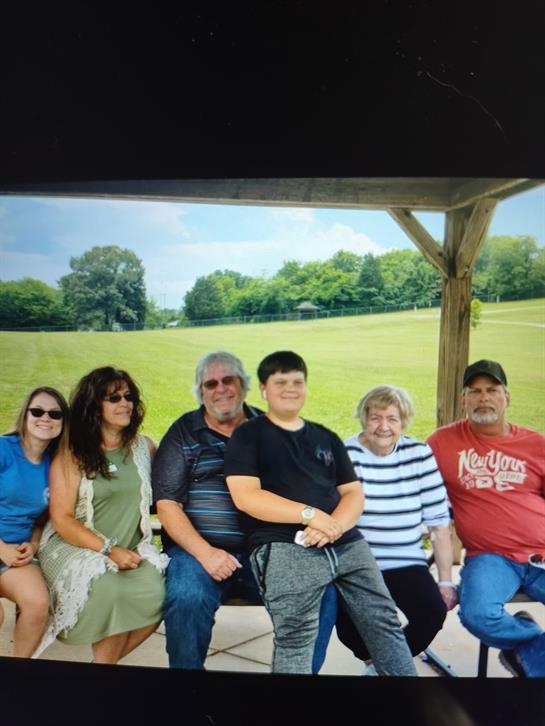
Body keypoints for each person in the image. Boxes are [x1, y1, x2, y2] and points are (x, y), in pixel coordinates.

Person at [224, 350, 417, 675]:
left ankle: (410, 706)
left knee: (385, 624)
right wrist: (311, 515)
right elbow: (246, 497)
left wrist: (334, 526)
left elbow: (353, 492)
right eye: (280, 381)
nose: (290, 388)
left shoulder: (324, 436)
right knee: (297, 636)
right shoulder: (249, 434)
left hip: (345, 543)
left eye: (297, 381)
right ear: (263, 389)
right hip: (283, 544)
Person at [152, 350, 336, 671]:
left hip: (267, 550)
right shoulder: (184, 432)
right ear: (201, 391)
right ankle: (187, 693)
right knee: (186, 597)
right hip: (199, 551)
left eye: (228, 380)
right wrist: (207, 553)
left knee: (321, 590)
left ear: (244, 385)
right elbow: (167, 505)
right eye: (211, 383)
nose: (220, 389)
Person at [36, 366, 168, 663]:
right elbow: (62, 519)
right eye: (113, 398)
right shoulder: (73, 453)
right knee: (109, 590)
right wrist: (108, 550)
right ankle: (103, 677)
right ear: (94, 406)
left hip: (132, 549)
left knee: (160, 594)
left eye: (128, 396)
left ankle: (100, 671)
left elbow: (170, 490)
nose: (125, 403)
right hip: (77, 546)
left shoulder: (144, 447)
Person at [427, 359, 545, 678]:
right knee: (478, 615)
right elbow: (412, 483)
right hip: (490, 558)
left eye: (492, 390)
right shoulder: (441, 443)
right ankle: (534, 649)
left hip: (541, 553)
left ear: (506, 397)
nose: (483, 398)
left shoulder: (537, 445)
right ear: (463, 400)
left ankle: (532, 658)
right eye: (474, 391)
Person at [333, 385, 457, 673]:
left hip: (405, 559)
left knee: (432, 611)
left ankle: (380, 670)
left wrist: (446, 580)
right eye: (376, 417)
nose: (384, 427)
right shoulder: (345, 453)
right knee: (346, 626)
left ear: (404, 422)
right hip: (357, 560)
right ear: (363, 418)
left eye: (393, 418)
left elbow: (438, 522)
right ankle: (385, 665)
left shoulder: (419, 453)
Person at [0, 387, 68, 657]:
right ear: (25, 415)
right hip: (2, 547)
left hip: (16, 552)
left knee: (38, 603)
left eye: (55, 413)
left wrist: (34, 542)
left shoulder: (55, 464)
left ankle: (18, 674)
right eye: (37, 411)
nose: (45, 418)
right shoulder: (4, 449)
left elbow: (41, 518)